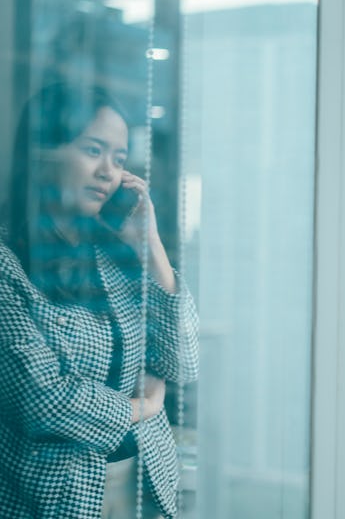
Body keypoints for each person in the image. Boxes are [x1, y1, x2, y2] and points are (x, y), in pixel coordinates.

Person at [0, 83, 198, 518]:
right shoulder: (7, 262)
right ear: (41, 152)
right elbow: (43, 400)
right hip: (56, 500)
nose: (109, 172)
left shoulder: (111, 255)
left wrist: (153, 248)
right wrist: (142, 407)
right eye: (93, 150)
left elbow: (182, 363)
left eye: (120, 159)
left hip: (146, 488)